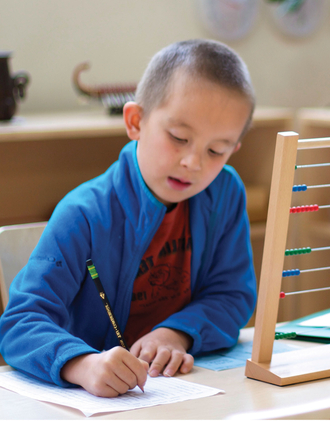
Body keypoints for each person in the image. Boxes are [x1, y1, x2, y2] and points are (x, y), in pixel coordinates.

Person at [0, 39, 258, 397]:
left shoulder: (224, 194)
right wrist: (82, 364)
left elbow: (232, 294)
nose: (193, 163)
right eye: (179, 137)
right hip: (96, 402)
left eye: (216, 150)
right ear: (135, 121)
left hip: (179, 393)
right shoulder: (83, 214)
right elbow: (19, 323)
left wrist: (177, 332)